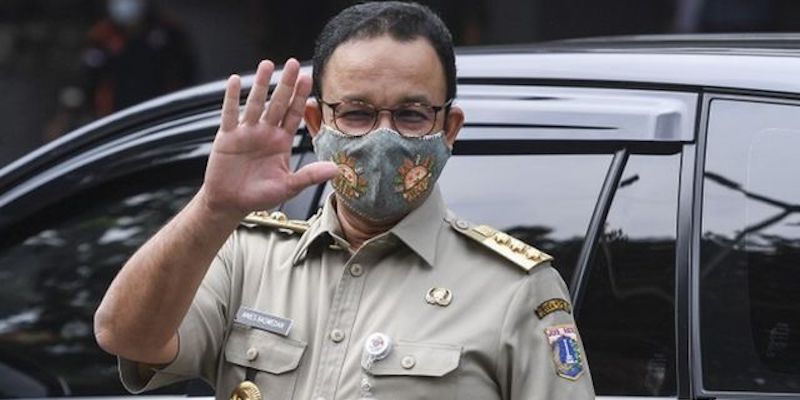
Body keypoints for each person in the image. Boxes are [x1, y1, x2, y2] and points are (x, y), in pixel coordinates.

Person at [94, 2, 595, 399]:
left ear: (449, 128)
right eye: (356, 114)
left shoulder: (514, 290)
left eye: (412, 115)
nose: (383, 138)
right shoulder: (246, 255)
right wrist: (213, 208)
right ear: (316, 124)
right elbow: (125, 336)